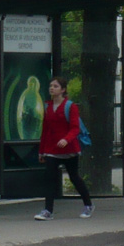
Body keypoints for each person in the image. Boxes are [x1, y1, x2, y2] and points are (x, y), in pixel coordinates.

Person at [34, 77, 93, 220]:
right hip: (51, 149)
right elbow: (45, 130)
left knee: (74, 177)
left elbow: (75, 128)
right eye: (50, 86)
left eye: (55, 86)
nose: (51, 88)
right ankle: (48, 211)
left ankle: (88, 205)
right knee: (50, 178)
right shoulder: (47, 106)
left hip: (69, 149)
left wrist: (66, 140)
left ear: (63, 90)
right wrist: (41, 151)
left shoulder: (70, 106)